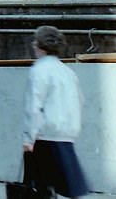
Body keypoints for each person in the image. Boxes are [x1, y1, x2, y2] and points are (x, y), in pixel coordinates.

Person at [22, 25, 89, 199]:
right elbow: (79, 101)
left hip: (44, 136)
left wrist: (29, 138)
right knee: (68, 188)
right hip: (66, 136)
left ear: (39, 45)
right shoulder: (67, 72)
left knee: (41, 189)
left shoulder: (39, 70)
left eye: (35, 42)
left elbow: (34, 106)